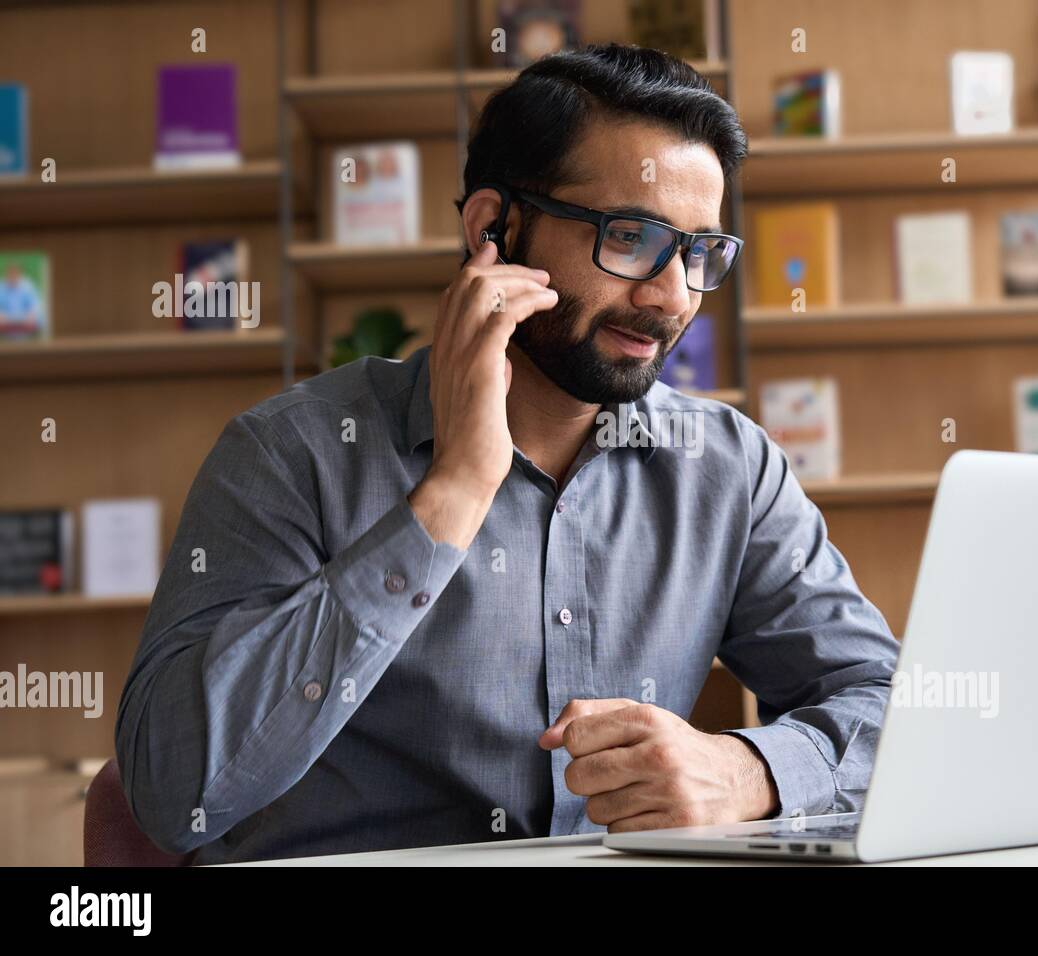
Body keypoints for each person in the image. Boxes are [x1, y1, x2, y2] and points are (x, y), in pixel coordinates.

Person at [116, 43, 899, 864]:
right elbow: (175, 793)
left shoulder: (726, 469)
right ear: (494, 226)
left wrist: (747, 771)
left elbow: (891, 708)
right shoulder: (292, 452)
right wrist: (451, 492)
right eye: (630, 237)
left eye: (700, 253)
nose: (672, 295)